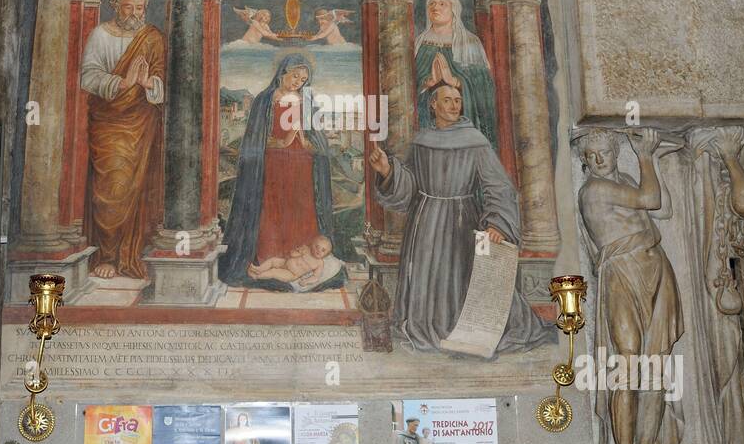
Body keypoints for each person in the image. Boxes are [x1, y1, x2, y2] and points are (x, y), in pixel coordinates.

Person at [368, 83, 552, 354]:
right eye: (448, 100)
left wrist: (497, 222)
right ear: (433, 105)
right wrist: (387, 171)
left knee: (463, 275)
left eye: (457, 100)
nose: (454, 105)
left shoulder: (474, 140)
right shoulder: (421, 141)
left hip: (463, 220)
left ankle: (466, 332)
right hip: (425, 222)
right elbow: (409, 185)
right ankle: (432, 327)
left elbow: (498, 185)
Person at [577, 127, 683, 444]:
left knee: (656, 365)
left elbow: (662, 210)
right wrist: (646, 155)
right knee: (627, 360)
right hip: (622, 273)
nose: (597, 161)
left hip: (654, 267)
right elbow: (648, 199)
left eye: (603, 153)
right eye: (590, 157)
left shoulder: (621, 178)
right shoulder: (593, 191)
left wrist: (652, 162)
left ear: (613, 152)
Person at [220, 53, 343, 287]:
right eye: (295, 76)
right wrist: (281, 142)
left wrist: (308, 144)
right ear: (283, 72)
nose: (298, 81)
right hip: (274, 164)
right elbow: (257, 140)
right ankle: (268, 259)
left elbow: (314, 137)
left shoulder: (306, 100)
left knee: (301, 208)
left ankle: (301, 263)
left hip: (302, 165)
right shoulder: (265, 100)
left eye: (303, 79)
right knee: (274, 207)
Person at [79, 0, 165, 279]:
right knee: (110, 188)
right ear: (116, 5)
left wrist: (148, 84)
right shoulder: (101, 35)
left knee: (137, 187)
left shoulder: (152, 38)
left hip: (141, 123)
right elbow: (88, 77)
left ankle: (129, 254)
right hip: (107, 122)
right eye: (128, 7)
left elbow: (163, 81)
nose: (134, 14)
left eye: (139, 8)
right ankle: (107, 256)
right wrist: (123, 83)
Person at [414, 0, 499, 148]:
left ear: (454, 10)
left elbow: (484, 84)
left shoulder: (470, 41)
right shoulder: (418, 43)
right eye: (431, 4)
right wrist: (428, 82)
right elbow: (409, 84)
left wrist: (457, 81)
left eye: (442, 4)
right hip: (428, 120)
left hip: (461, 119)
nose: (435, 8)